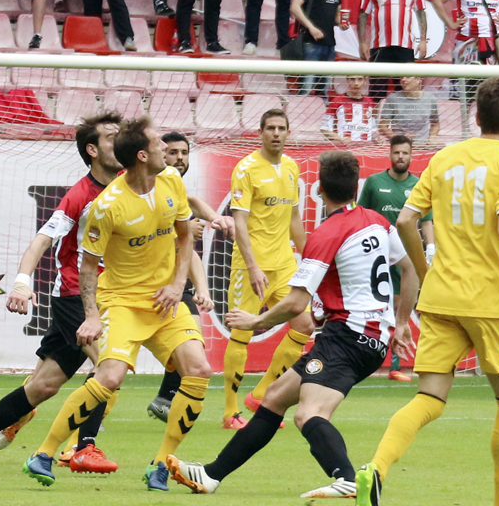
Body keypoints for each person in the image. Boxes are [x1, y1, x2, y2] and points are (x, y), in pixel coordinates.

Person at [355, 77, 499, 506]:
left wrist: (425, 269)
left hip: (441, 295)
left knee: (429, 396)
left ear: (475, 115)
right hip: (488, 298)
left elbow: (406, 221)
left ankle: (375, 469)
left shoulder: (445, 157)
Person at [167, 150, 419, 499]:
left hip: (348, 338)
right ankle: (212, 475)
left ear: (318, 189)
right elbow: (409, 271)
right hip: (367, 337)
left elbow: (295, 303)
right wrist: (402, 322)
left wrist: (256, 320)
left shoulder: (327, 233)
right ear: (355, 185)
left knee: (309, 414)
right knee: (273, 398)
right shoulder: (377, 222)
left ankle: (348, 478)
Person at [23, 116, 212, 491]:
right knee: (109, 377)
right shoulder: (107, 206)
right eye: (160, 145)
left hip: (164, 300)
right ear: (143, 156)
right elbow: (88, 265)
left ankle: (160, 464)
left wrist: (178, 285)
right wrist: (91, 315)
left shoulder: (172, 182)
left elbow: (185, 234)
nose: (168, 152)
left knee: (200, 369)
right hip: (122, 301)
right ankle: (44, 453)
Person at [0, 113, 124, 476]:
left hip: (108, 294)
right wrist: (22, 281)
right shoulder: (79, 196)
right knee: (109, 367)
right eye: (110, 139)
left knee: (43, 386)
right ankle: (84, 448)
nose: (119, 144)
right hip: (76, 296)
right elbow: (42, 241)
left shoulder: (128, 187)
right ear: (91, 150)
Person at [221, 108, 313, 429]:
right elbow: (240, 223)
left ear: (289, 133)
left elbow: (294, 220)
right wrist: (252, 266)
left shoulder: (291, 169)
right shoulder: (245, 169)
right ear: (260, 132)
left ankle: (262, 394)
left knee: (304, 324)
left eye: (281, 128)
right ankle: (231, 412)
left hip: (284, 264)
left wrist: (312, 260)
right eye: (270, 128)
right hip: (252, 266)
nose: (276, 133)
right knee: (241, 332)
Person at [146, 130, 234, 422]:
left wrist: (214, 218)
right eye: (173, 152)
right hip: (142, 284)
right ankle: (89, 419)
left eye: (184, 153)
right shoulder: (149, 188)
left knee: (193, 339)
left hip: (175, 283)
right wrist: (183, 235)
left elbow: (192, 210)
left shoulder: (176, 189)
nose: (179, 158)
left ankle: (165, 399)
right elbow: (150, 240)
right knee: (112, 364)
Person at [356, 134, 434, 382]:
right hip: (376, 253)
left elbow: (426, 219)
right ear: (390, 154)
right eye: (397, 152)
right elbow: (361, 214)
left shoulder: (418, 184)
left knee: (400, 304)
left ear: (411, 156)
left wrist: (430, 245)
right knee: (371, 306)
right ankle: (362, 360)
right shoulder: (374, 182)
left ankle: (395, 365)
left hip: (405, 257)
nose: (401, 157)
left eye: (405, 153)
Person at [358, 0, 427, 101]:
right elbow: (363, 14)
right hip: (380, 46)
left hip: (405, 46)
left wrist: (423, 40)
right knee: (376, 89)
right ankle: (374, 122)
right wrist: (362, 42)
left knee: (405, 89)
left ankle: (403, 124)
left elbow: (421, 12)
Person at [292, 0, 346, 97]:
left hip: (329, 44)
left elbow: (337, 16)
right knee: (306, 88)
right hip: (311, 43)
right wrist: (311, 28)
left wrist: (342, 23)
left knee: (325, 90)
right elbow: (295, 7)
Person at [378, 76, 439, 144]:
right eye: (401, 77)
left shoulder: (430, 98)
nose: (403, 80)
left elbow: (435, 124)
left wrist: (432, 137)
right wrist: (399, 139)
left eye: (408, 77)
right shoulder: (393, 98)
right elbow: (382, 126)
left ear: (418, 79)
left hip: (423, 145)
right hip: (399, 145)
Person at [321, 75, 377, 142]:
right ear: (347, 80)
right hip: (343, 148)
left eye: (360, 79)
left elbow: (373, 128)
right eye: (352, 79)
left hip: (364, 147)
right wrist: (340, 139)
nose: (356, 83)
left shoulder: (369, 102)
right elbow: (324, 128)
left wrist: (377, 137)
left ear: (364, 81)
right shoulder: (337, 101)